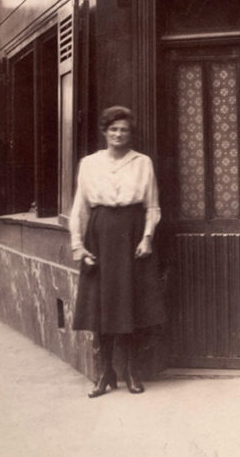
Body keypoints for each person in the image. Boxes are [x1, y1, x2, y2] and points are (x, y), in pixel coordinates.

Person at [70, 106, 165, 397]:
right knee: (102, 304)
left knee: (131, 304)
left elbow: (152, 205)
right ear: (105, 132)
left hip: (133, 233)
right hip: (100, 234)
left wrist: (147, 237)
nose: (119, 134)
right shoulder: (89, 163)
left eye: (124, 129)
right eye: (113, 129)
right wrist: (78, 245)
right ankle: (104, 373)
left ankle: (131, 371)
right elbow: (80, 207)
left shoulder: (142, 162)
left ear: (129, 133)